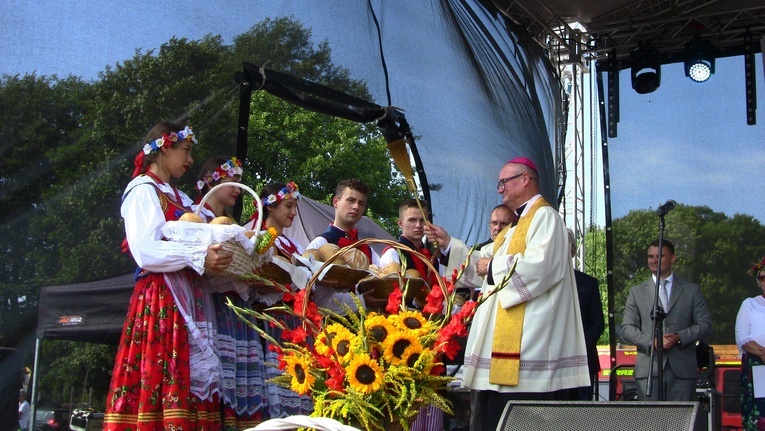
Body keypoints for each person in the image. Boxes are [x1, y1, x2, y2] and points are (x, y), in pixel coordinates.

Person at [428, 157, 589, 431]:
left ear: (524, 179)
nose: (500, 189)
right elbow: (482, 264)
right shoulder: (513, 228)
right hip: (504, 351)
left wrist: (492, 267)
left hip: (529, 350)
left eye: (504, 182)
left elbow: (541, 267)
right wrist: (449, 245)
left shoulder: (545, 217)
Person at [104, 122, 232, 431]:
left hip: (191, 296)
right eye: (186, 151)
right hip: (161, 296)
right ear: (165, 147)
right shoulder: (141, 190)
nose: (189, 161)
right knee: (163, 374)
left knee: (190, 379)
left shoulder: (182, 198)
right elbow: (145, 250)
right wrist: (197, 255)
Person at [195, 156, 269, 429]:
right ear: (212, 182)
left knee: (236, 376)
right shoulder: (196, 216)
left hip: (231, 306)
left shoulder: (230, 225)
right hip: (208, 302)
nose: (238, 188)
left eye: (240, 182)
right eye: (232, 181)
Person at [621, 239, 712, 401]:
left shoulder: (691, 290)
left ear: (673, 259)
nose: (654, 260)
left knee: (681, 422)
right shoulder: (636, 292)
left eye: (660, 256)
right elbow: (627, 328)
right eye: (650, 256)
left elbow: (705, 325)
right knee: (652, 422)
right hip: (649, 369)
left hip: (682, 369)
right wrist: (652, 341)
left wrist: (679, 337)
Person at [254, 181, 314, 418]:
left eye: (294, 207)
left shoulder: (294, 245)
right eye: (288, 206)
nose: (293, 212)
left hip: (293, 320)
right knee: (275, 381)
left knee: (297, 383)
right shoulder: (258, 236)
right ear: (270, 207)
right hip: (270, 318)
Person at [305, 178, 386, 313]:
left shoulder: (368, 250)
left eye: (361, 203)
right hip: (330, 326)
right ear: (335, 201)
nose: (356, 207)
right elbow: (312, 297)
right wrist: (360, 302)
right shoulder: (320, 244)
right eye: (351, 200)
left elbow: (383, 280)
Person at [429, 204, 513, 295]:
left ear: (512, 226)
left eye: (504, 223)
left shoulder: (516, 250)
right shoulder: (477, 250)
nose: (498, 228)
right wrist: (447, 243)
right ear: (489, 224)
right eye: (494, 223)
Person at [567, 229, 605, 400]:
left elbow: (597, 323)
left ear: (574, 250)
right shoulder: (539, 283)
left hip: (583, 361)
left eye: (565, 245)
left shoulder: (588, 284)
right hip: (548, 365)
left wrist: (579, 346)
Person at [735, 257, 765, 430]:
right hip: (757, 366)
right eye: (762, 278)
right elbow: (742, 337)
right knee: (759, 413)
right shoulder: (750, 304)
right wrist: (762, 353)